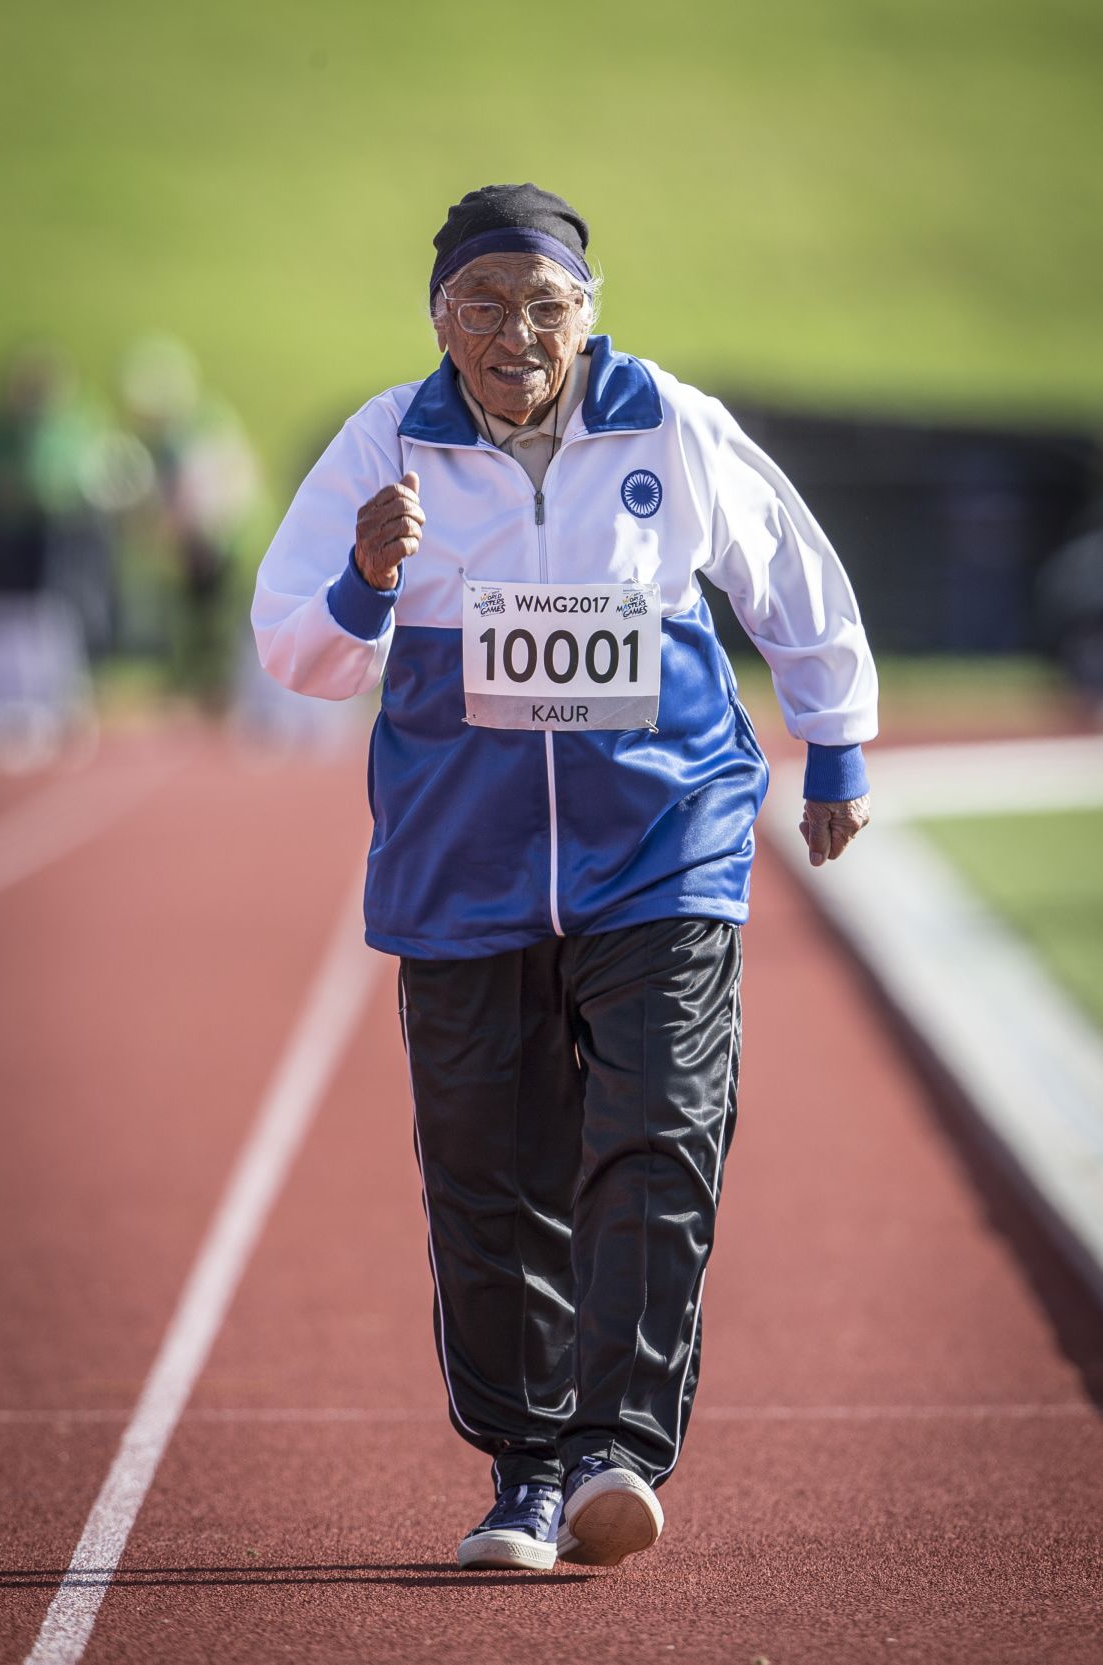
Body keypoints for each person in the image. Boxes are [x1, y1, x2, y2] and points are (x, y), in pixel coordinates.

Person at [252, 183, 876, 1574]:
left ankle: (617, 1447)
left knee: (657, 1128)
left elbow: (787, 571)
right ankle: (525, 1467)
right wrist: (363, 579)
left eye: (544, 304)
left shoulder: (667, 421)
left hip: (663, 843)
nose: (515, 333)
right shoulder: (383, 444)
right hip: (461, 865)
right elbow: (295, 658)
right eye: (483, 307)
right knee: (489, 1178)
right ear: (438, 321)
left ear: (588, 312)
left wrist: (834, 740)